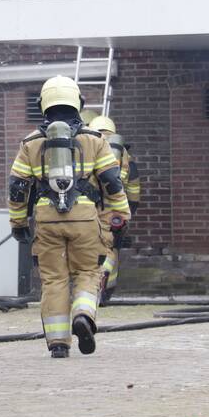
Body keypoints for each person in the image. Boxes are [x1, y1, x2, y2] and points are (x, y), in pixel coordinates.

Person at [8, 76, 130, 358]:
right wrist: (121, 216)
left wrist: (18, 224)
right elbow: (112, 182)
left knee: (53, 279)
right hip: (86, 219)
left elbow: (17, 188)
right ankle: (84, 315)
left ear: (43, 105)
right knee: (88, 271)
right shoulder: (95, 140)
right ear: (78, 103)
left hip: (47, 220)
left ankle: (59, 344)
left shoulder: (30, 143)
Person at [88, 115, 141, 301]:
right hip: (116, 208)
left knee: (91, 247)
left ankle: (94, 285)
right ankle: (105, 288)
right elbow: (134, 186)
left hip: (91, 207)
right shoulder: (124, 153)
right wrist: (130, 209)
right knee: (112, 247)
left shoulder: (89, 145)